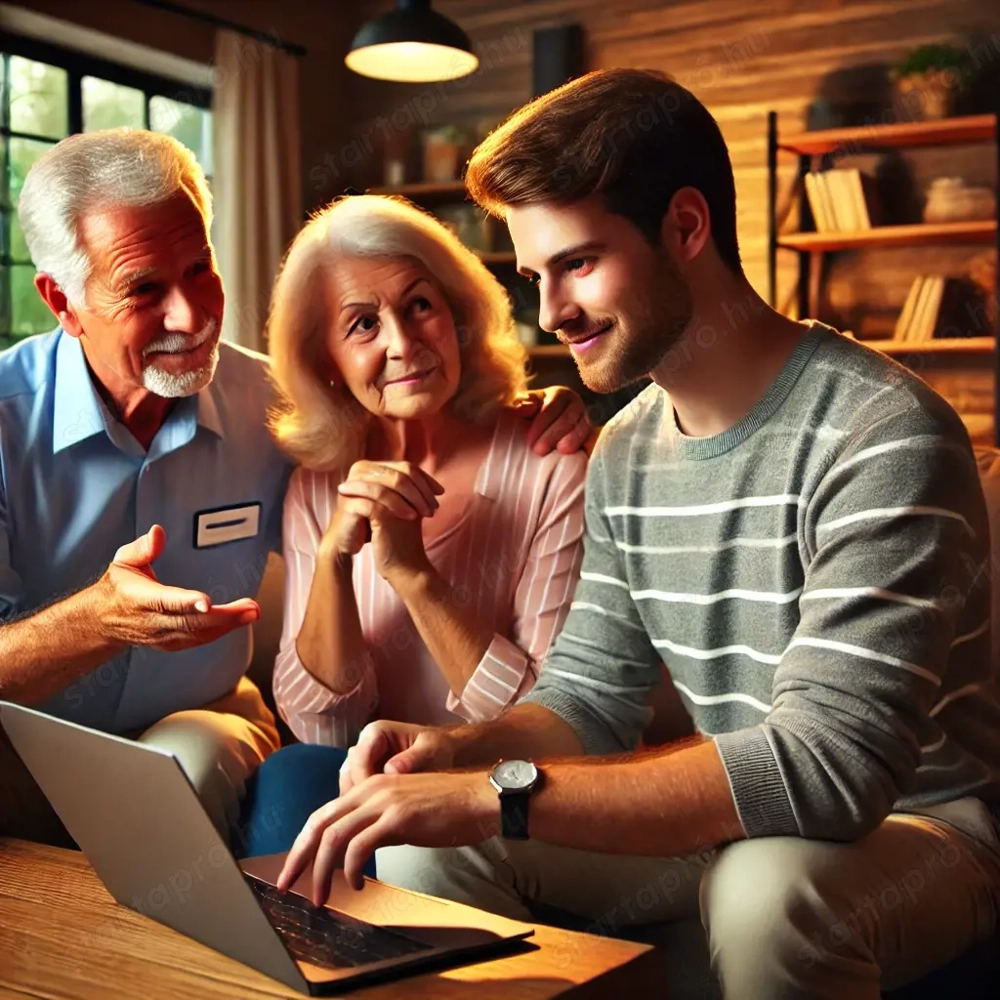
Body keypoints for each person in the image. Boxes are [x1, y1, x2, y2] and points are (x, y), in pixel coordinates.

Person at [275, 69, 1000, 999]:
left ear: (687, 228)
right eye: (535, 276)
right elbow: (587, 701)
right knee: (419, 855)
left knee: (764, 890)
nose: (552, 313)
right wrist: (451, 753)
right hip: (734, 827)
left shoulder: (882, 431)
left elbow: (830, 770)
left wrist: (491, 790)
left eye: (578, 263)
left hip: (921, 832)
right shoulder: (624, 446)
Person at [0, 129, 590, 847]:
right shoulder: (8, 424)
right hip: (21, 737)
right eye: (146, 289)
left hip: (203, 721)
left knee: (200, 768)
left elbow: (394, 388)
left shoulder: (275, 408)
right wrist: (96, 621)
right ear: (62, 302)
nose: (190, 317)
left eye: (199, 269)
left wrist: (541, 401)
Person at [236, 195, 587, 858]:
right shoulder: (317, 484)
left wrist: (413, 575)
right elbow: (320, 725)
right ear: (325, 362)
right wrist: (336, 561)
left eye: (420, 305)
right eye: (363, 324)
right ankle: (292, 960)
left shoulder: (548, 459)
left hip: (507, 782)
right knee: (290, 778)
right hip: (377, 777)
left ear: (457, 313)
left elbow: (553, 720)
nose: (404, 344)